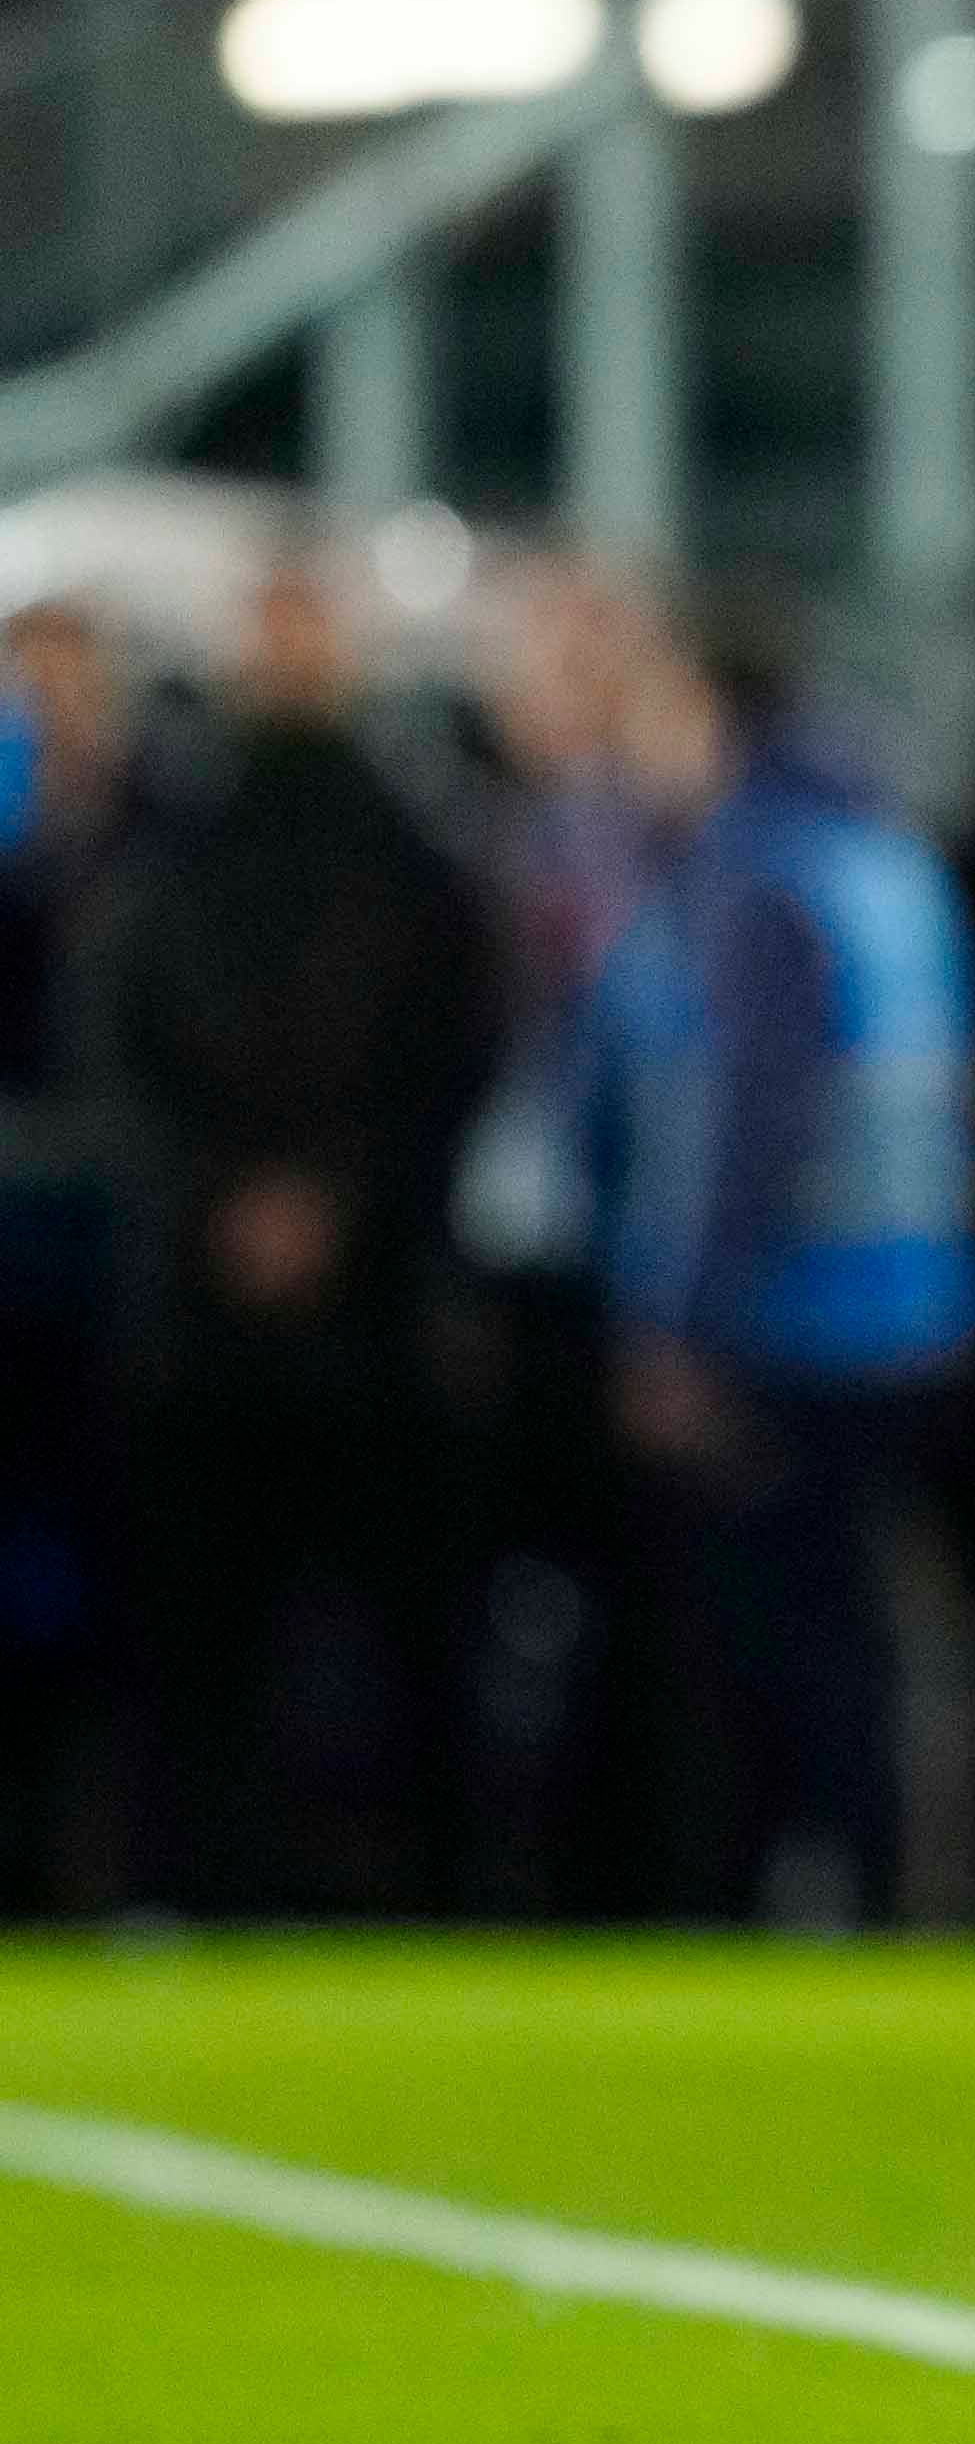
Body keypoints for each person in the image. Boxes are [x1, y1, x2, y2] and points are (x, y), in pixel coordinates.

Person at [94, 560, 502, 1913]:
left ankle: (408, 1891)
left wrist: (329, 1198)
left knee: (397, 1629)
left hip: (373, 1309)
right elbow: (121, 1057)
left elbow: (460, 1053)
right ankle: (202, 1884)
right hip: (209, 1320)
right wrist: (235, 1200)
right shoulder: (174, 847)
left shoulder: (418, 849)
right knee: (202, 1631)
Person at [585, 597, 975, 1928]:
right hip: (914, 1304)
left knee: (781, 1650)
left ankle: (801, 1906)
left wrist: (680, 1323)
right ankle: (879, 1895)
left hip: (793, 1322)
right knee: (860, 1635)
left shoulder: (754, 871)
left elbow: (747, 1119)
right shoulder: (882, 853)